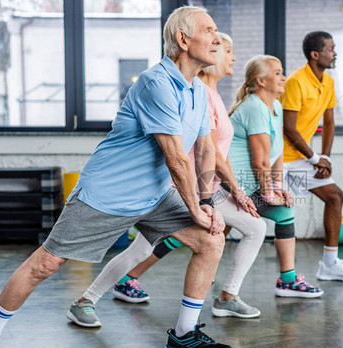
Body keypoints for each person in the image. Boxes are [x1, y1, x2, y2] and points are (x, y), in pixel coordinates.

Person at [0, 7, 233, 348]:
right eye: (210, 30)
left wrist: (206, 202)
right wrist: (196, 209)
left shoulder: (197, 91)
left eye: (217, 30)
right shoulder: (155, 82)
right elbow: (176, 157)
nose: (217, 38)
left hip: (154, 194)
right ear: (183, 39)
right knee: (47, 262)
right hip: (106, 194)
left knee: (210, 240)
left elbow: (204, 149)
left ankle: (184, 335)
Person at [66, 32, 267, 325]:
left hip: (204, 189)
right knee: (253, 228)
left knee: (143, 249)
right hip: (189, 189)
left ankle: (86, 299)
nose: (232, 56)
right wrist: (230, 192)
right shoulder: (201, 93)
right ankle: (225, 298)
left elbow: (215, 152)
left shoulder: (210, 93)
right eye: (228, 50)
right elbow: (205, 152)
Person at [228, 55, 323, 298]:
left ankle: (288, 280)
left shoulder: (275, 106)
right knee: (194, 234)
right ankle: (129, 277)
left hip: (250, 188)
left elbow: (276, 152)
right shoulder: (254, 107)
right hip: (233, 187)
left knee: (284, 212)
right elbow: (259, 161)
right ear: (260, 81)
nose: (283, 77)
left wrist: (278, 188)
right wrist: (268, 195)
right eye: (277, 73)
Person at [280, 31, 343, 283]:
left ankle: (329, 264)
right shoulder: (296, 81)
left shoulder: (327, 82)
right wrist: (316, 159)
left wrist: (325, 157)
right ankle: (209, 253)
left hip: (300, 157)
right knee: (242, 212)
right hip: (278, 158)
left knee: (335, 196)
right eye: (330, 49)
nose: (334, 53)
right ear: (315, 54)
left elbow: (329, 122)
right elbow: (289, 129)